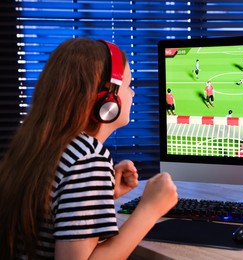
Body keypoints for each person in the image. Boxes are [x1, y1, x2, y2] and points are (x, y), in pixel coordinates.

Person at [0, 38, 178, 259]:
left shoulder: (45, 146)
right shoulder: (88, 158)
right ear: (107, 99)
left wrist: (101, 195)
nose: (132, 93)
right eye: (128, 85)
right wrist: (150, 209)